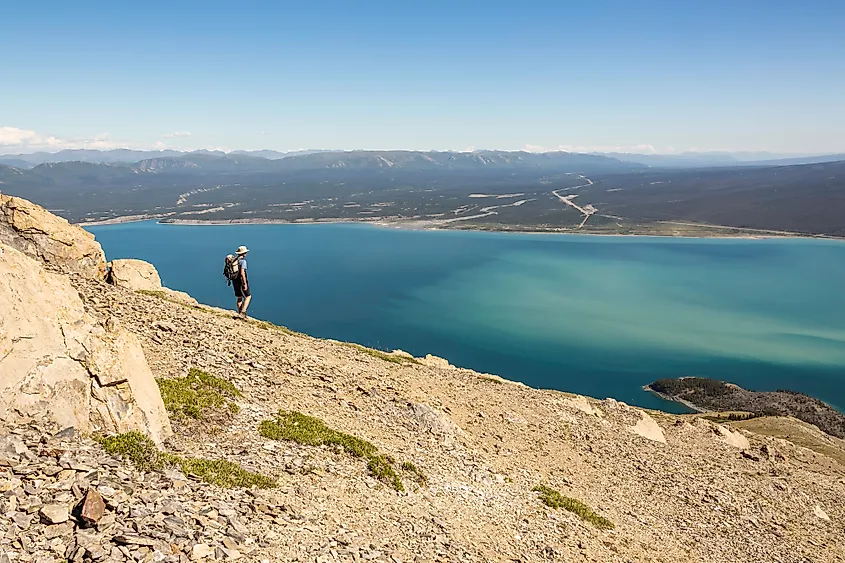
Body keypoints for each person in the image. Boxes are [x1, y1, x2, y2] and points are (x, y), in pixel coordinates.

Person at [233, 245, 251, 318]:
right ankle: (243, 313)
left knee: (239, 297)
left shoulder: (234, 260)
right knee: (248, 296)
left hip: (235, 281)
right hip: (241, 281)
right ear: (243, 253)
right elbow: (242, 273)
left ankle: (240, 313)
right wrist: (245, 283)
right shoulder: (243, 262)